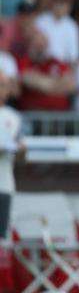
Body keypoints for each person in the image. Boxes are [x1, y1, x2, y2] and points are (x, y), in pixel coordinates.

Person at [0, 74, 24, 239]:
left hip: (4, 185)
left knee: (1, 240)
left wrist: (22, 151)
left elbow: (21, 159)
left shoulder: (14, 117)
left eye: (3, 85)